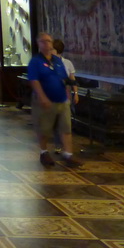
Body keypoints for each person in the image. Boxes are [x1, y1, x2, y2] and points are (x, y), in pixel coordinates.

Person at [28, 33, 81, 167]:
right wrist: (42, 97)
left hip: (62, 100)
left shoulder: (57, 61)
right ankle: (44, 152)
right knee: (44, 128)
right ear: (38, 44)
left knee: (65, 128)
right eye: (43, 41)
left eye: (49, 41)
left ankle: (68, 154)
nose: (47, 44)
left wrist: (71, 87)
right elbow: (34, 81)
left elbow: (63, 77)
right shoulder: (35, 62)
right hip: (45, 100)